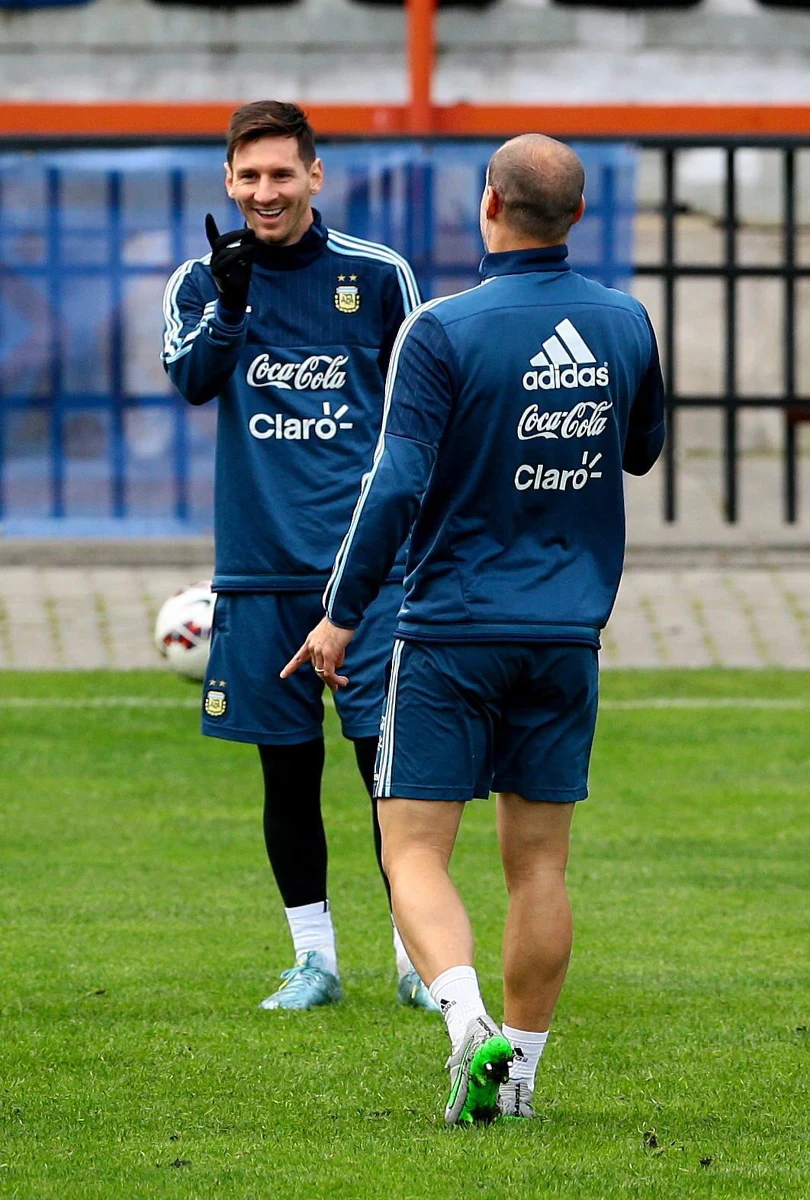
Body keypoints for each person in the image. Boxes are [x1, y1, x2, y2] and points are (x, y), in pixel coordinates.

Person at [283, 134, 666, 1122]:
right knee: (539, 864)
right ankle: (521, 1082)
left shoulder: (443, 330)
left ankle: (466, 1029)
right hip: (567, 634)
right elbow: (641, 452)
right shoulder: (626, 323)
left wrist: (339, 614)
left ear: (487, 204)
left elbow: (398, 481)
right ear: (577, 216)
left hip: (450, 629)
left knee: (412, 852)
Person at [161, 100, 437, 1014]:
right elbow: (193, 380)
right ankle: (313, 961)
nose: (266, 192)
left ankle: (415, 957)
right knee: (287, 772)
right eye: (250, 176)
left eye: (283, 174)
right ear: (228, 182)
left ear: (316, 176)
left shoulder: (378, 274)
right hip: (258, 571)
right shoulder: (200, 282)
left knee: (386, 771)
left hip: (368, 573)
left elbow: (423, 407)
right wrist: (233, 308)